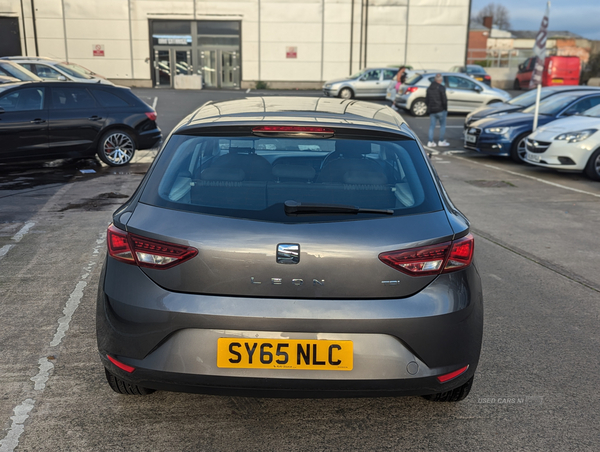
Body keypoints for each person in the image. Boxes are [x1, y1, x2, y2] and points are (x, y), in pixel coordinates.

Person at [425, 73, 449, 147]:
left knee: (432, 126)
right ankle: (441, 141)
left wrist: (429, 107)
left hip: (432, 110)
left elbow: (426, 100)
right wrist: (445, 108)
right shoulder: (441, 87)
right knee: (442, 125)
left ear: (435, 79)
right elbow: (444, 100)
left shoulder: (429, 88)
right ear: (441, 80)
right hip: (441, 110)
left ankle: (430, 141)